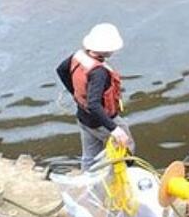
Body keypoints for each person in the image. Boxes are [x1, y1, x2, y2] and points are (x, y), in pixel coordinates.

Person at [56, 23, 132, 170]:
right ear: (108, 50)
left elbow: (61, 70)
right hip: (101, 122)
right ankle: (125, 176)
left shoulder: (78, 56)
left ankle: (90, 184)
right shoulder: (99, 73)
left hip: (83, 117)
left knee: (89, 157)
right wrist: (114, 129)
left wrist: (76, 94)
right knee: (126, 147)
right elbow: (94, 105)